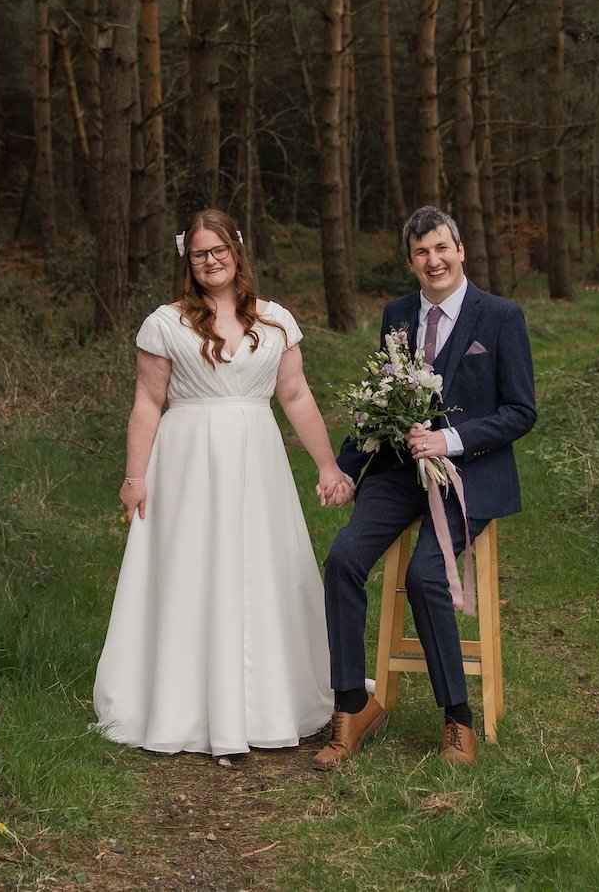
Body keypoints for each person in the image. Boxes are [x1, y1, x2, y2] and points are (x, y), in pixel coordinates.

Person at [93, 209, 356, 756]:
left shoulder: (275, 320)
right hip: (187, 461)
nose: (210, 261)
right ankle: (184, 701)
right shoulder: (165, 323)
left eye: (218, 250)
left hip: (256, 459)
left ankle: (267, 700)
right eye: (199, 254)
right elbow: (148, 402)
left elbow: (296, 395)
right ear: (187, 260)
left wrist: (327, 465)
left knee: (262, 566)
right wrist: (134, 476)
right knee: (190, 567)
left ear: (236, 251)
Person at [314, 206, 536, 769]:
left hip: (468, 475)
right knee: (341, 560)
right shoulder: (396, 315)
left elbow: (521, 411)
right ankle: (352, 706)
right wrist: (345, 470)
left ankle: (458, 719)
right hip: (397, 474)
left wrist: (450, 440)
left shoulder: (501, 317)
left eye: (441, 248)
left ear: (460, 250)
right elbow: (381, 404)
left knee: (424, 575)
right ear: (410, 261)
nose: (433, 260)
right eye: (421, 253)